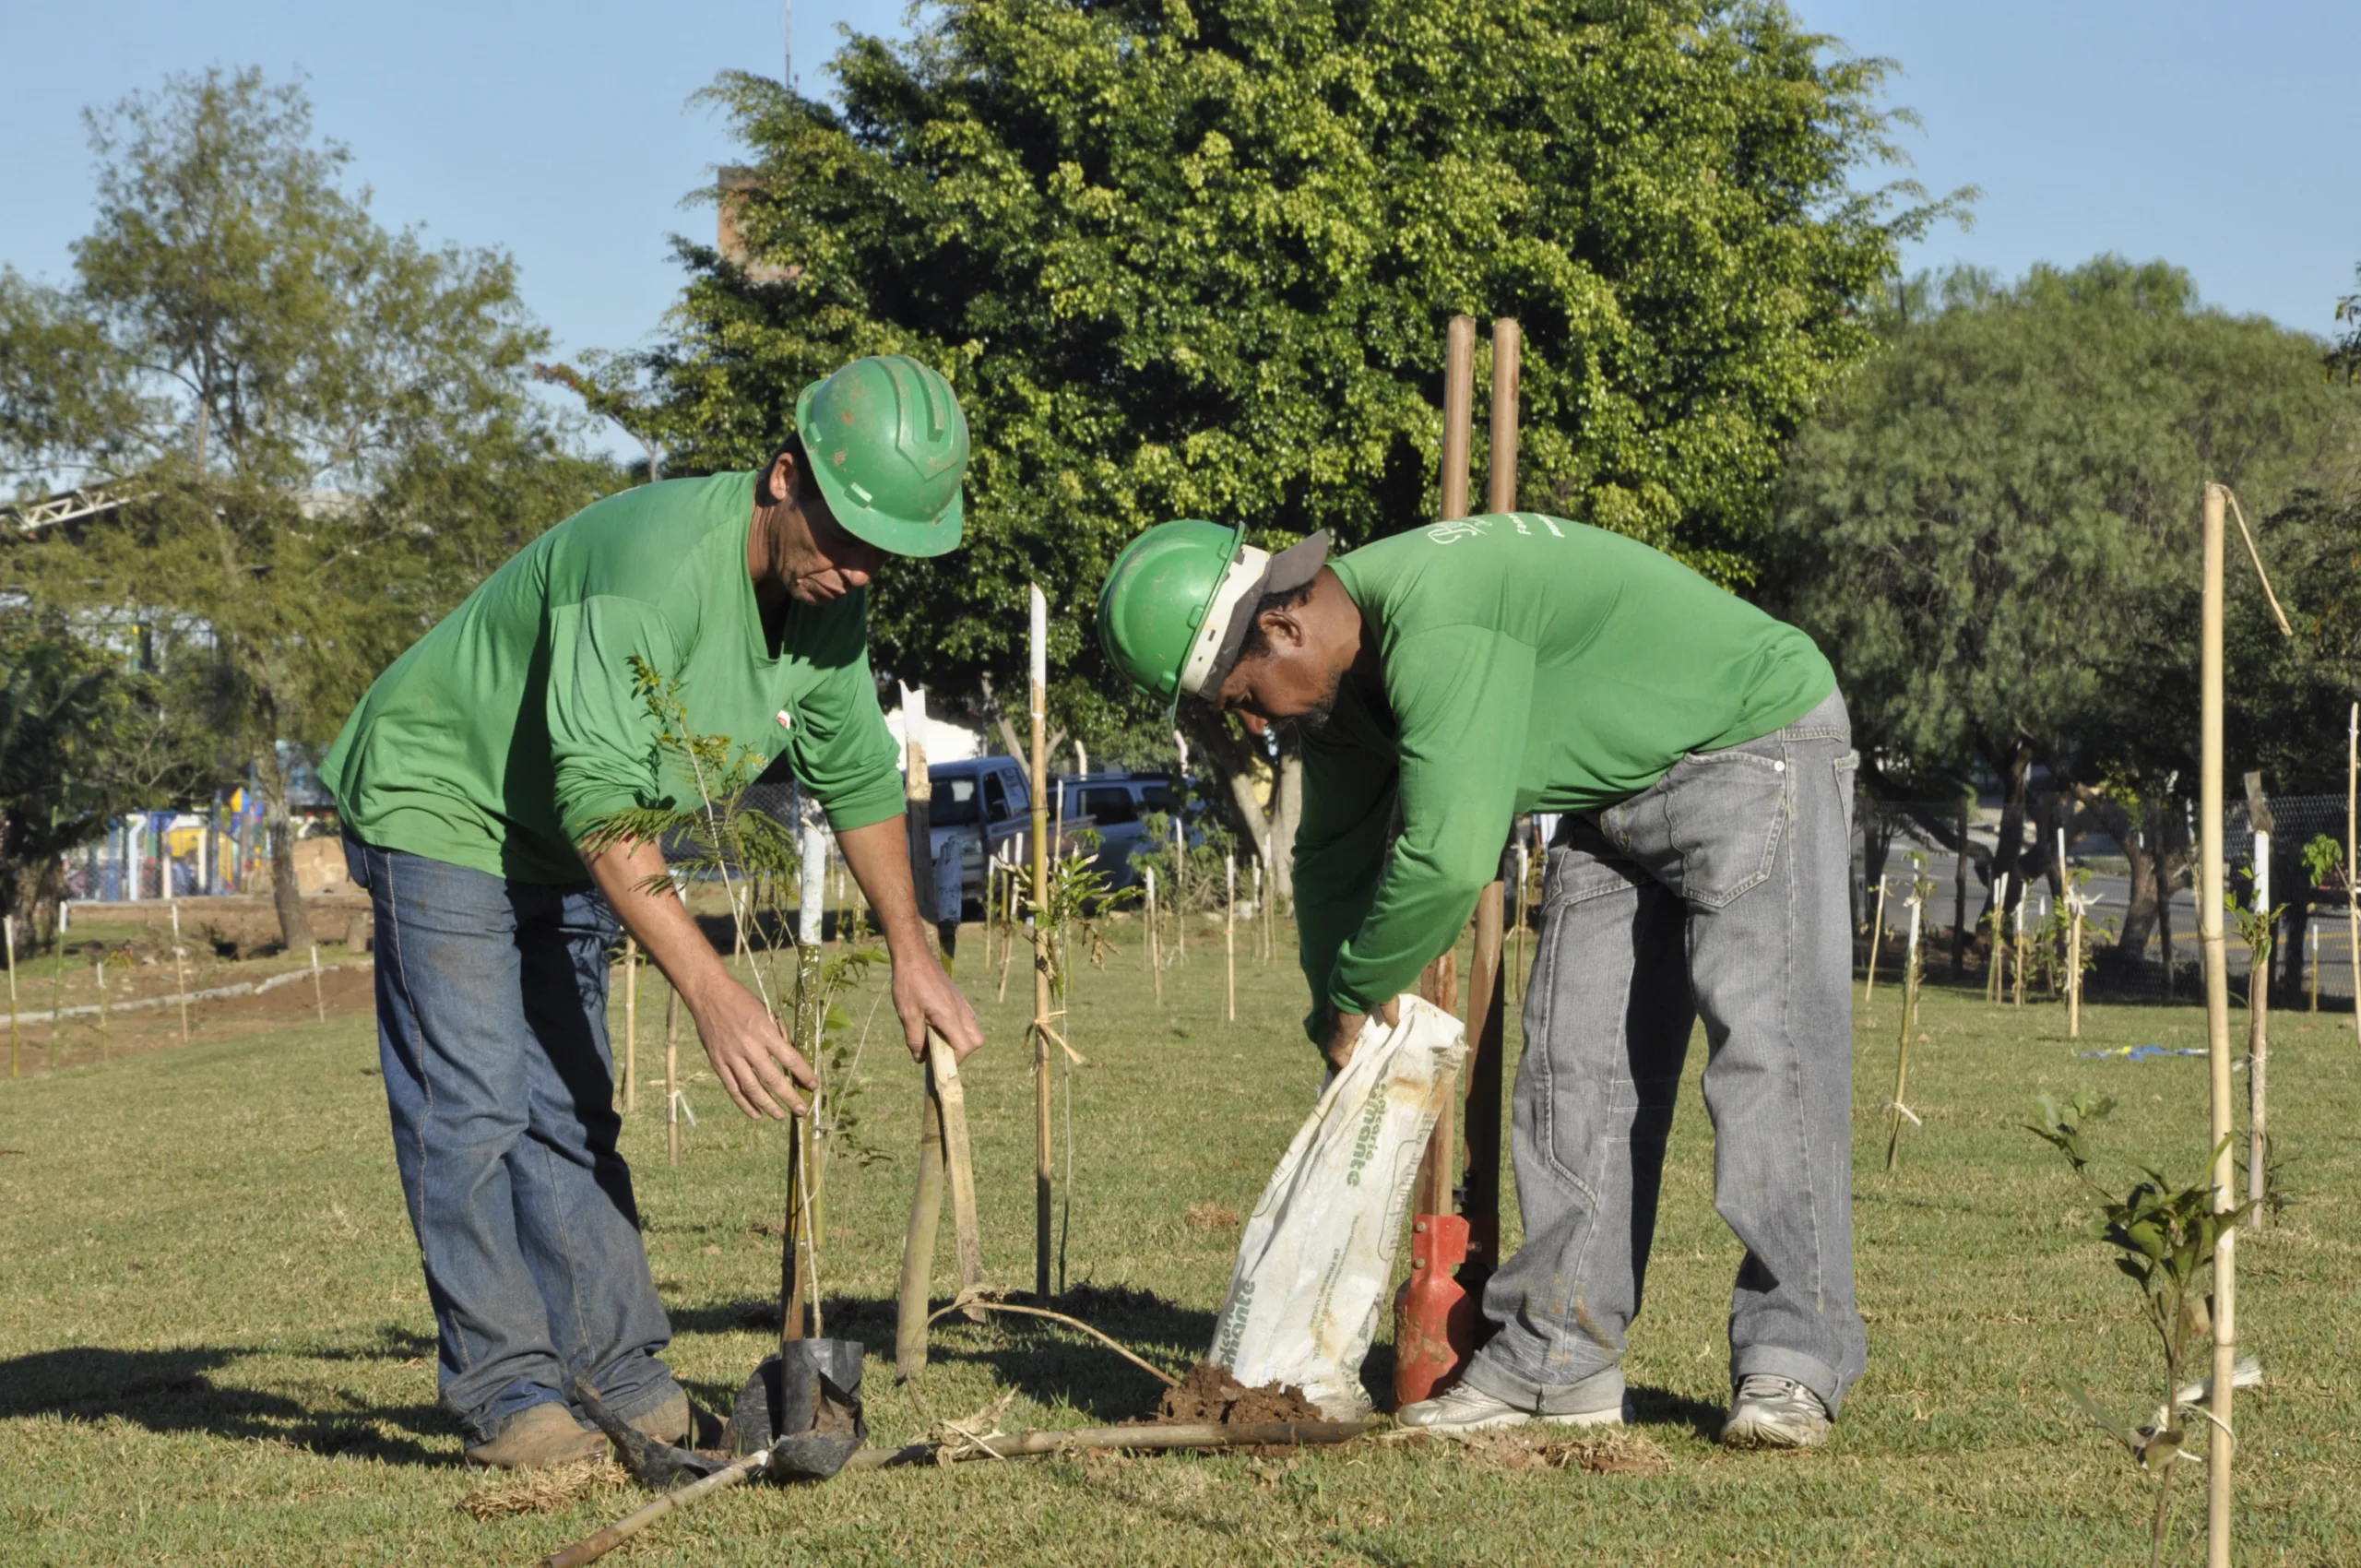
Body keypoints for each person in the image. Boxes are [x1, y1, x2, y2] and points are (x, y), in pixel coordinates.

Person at [321, 355, 985, 1467]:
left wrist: (910, 952)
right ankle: (509, 1393)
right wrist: (715, 990)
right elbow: (606, 805)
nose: (865, 571)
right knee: (477, 1100)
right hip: (440, 798)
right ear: (785, 478)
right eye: (852, 537)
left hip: (562, 839)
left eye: (889, 554)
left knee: (572, 1109)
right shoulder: (649, 567)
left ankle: (622, 1375)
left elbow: (858, 774)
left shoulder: (824, 601)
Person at [1095, 511, 1866, 1448]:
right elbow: (1334, 857)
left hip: (1754, 742)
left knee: (1769, 1062)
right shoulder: (1345, 696)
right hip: (1610, 792)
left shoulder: (1437, 620)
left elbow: (1449, 857)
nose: (1251, 720)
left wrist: (1368, 979)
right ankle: (1552, 1362)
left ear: (1283, 627)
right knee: (1572, 1073)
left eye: (1242, 691)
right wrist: (1339, 1014)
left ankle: (1792, 1361)